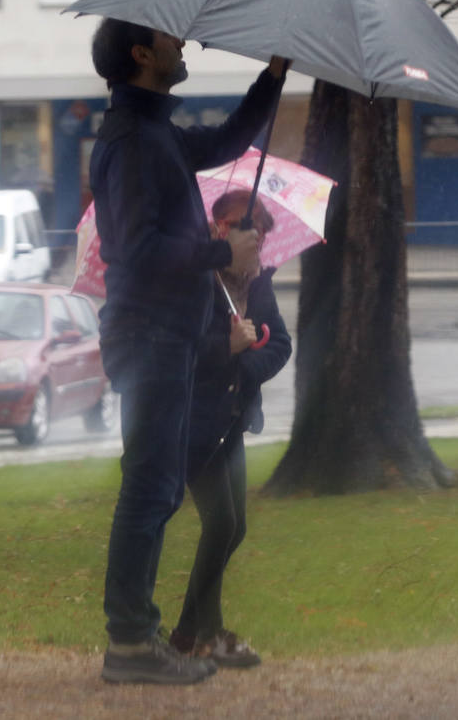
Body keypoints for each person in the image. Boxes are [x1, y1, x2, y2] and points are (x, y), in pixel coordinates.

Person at [88, 17, 290, 685]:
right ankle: (132, 643)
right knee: (149, 488)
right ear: (142, 55)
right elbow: (139, 253)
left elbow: (228, 140)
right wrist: (221, 252)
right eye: (170, 40)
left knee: (159, 486)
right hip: (148, 334)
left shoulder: (156, 134)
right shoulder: (136, 143)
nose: (184, 47)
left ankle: (140, 638)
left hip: (163, 336)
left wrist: (273, 77)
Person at [170, 189, 291, 669]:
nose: (257, 236)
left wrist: (245, 367)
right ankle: (209, 633)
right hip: (193, 420)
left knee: (234, 527)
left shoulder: (257, 282)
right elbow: (179, 354)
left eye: (262, 228)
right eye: (248, 226)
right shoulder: (194, 279)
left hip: (232, 417)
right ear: (220, 228)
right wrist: (227, 349)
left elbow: (279, 343)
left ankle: (184, 632)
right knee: (220, 522)